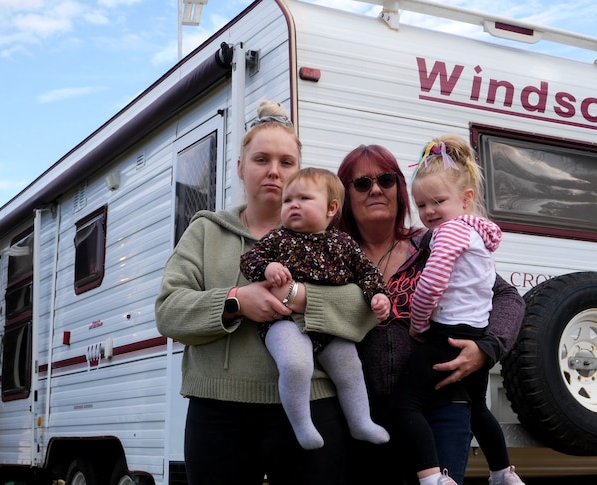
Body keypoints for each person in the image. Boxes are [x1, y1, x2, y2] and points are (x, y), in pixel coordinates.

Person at [155, 100, 378, 485]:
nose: (274, 171)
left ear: (299, 171)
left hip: (315, 402)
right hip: (219, 412)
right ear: (240, 167)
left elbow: (366, 311)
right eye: (261, 159)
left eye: (286, 162)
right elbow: (169, 312)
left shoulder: (331, 239)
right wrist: (237, 301)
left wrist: (297, 297)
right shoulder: (206, 231)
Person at [336, 144, 526, 485]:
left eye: (386, 179)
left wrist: (487, 348)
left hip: (442, 405)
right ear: (345, 194)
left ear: (400, 189)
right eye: (362, 183)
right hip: (359, 412)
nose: (376, 188)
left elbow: (508, 297)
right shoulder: (334, 254)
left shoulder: (434, 242)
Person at [390, 135, 524, 485]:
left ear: (466, 199)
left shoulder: (448, 234)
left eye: (438, 201)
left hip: (447, 334)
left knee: (405, 405)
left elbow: (432, 285)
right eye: (421, 205)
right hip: (474, 333)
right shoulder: (475, 233)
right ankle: (502, 473)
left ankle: (434, 477)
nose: (429, 211)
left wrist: (418, 323)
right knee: (479, 408)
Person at [239, 167, 391, 450]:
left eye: (304, 198)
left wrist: (378, 296)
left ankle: (360, 421)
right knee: (296, 364)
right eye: (287, 200)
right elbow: (249, 261)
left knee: (350, 367)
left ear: (331, 208)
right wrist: (268, 266)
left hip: (330, 324)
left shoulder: (343, 243)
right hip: (283, 321)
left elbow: (367, 273)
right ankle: (302, 424)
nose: (293, 205)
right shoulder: (278, 238)